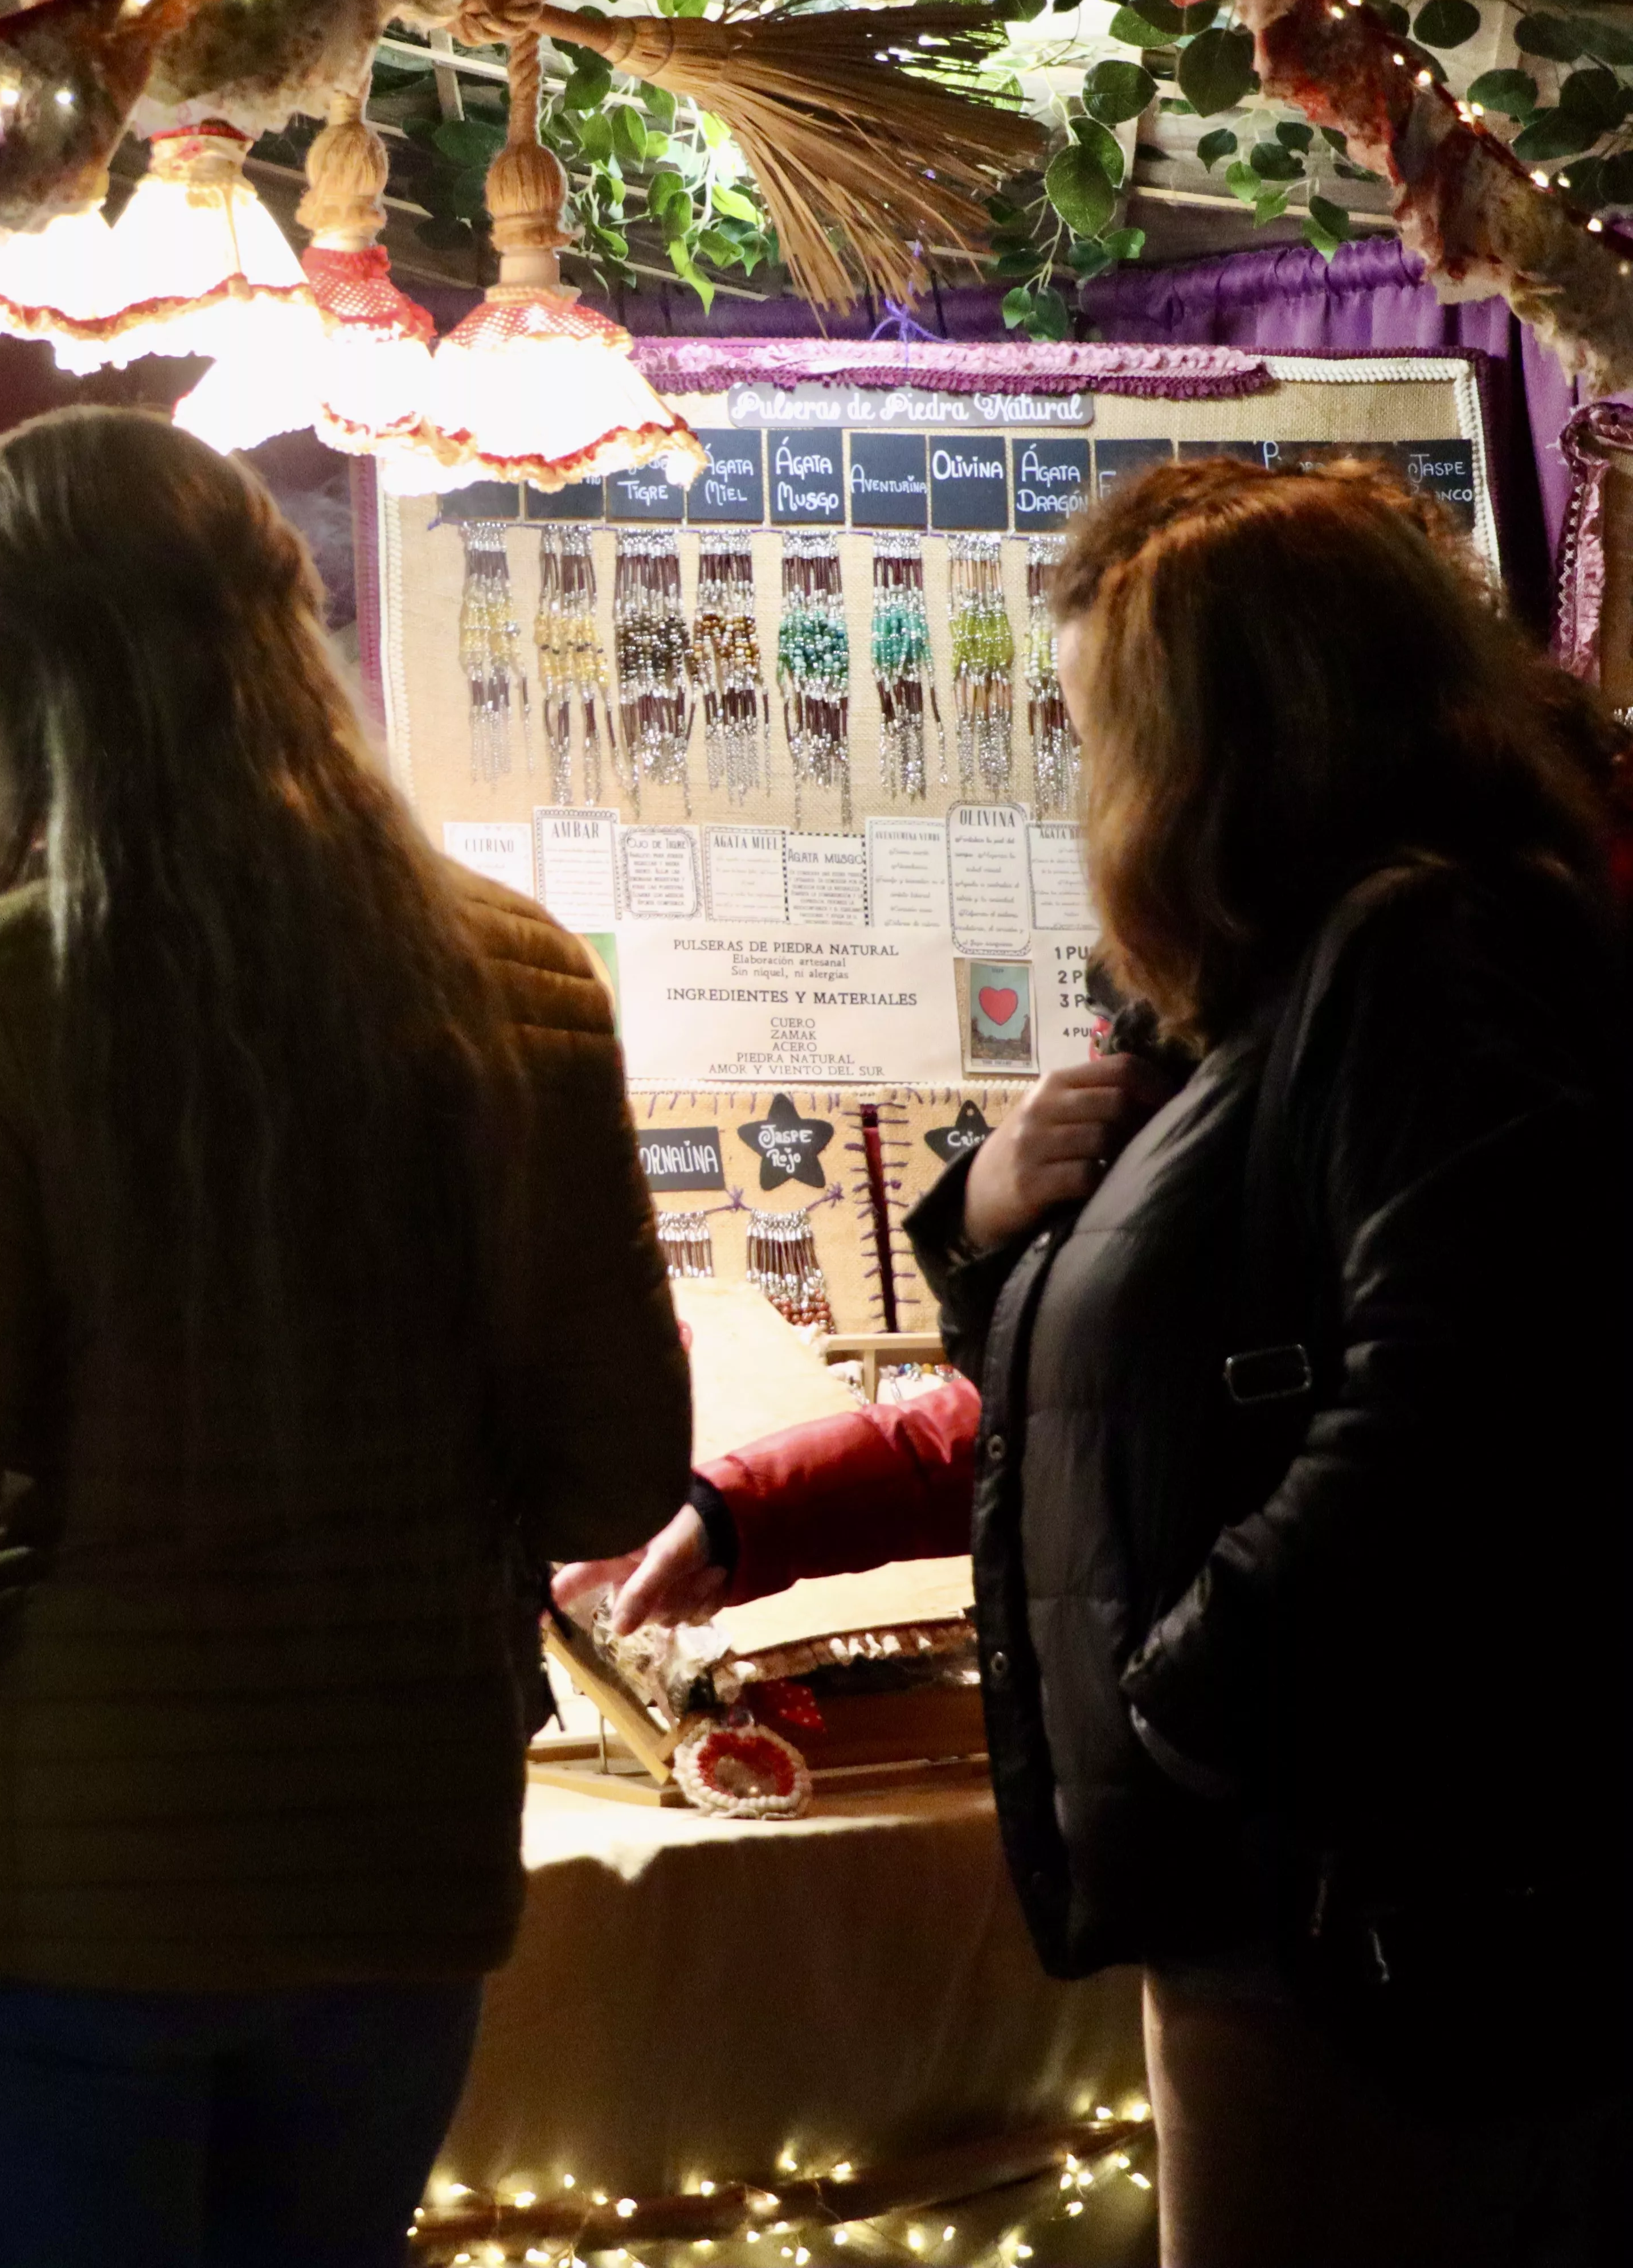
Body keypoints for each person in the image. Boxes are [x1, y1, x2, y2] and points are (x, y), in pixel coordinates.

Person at [562, 459, 1633, 2266]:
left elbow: (1463, 1397)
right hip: (1270, 1891)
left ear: (1230, 731)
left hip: (1364, 1906)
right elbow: (1103, 1402)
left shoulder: (1425, 951)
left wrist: (1186, 1695)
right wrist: (972, 1231)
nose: (1082, 786)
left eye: (1096, 729)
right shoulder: (1241, 1005)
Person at [0, 407, 690, 2268]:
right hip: (394, 1872)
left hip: (53, 1896)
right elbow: (615, 1467)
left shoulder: (3, 990)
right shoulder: (519, 981)